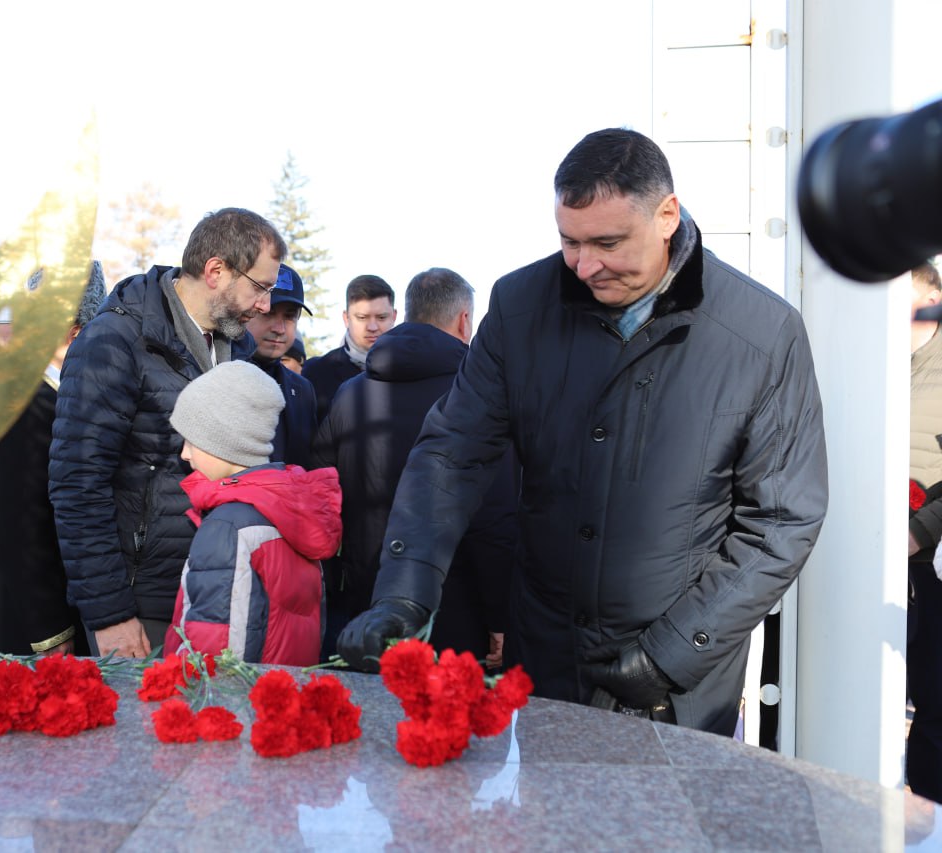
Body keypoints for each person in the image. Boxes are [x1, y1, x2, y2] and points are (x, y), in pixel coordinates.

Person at [338, 128, 828, 736]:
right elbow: (451, 455)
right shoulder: (519, 308)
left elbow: (781, 521)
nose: (586, 265)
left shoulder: (761, 334)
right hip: (545, 664)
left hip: (677, 688)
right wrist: (404, 593)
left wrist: (670, 656)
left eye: (608, 242)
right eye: (569, 242)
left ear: (667, 215)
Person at [49, 208, 287, 658]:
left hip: (216, 589)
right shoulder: (114, 341)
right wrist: (110, 615)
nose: (265, 305)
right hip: (142, 605)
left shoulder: (239, 352)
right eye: (260, 287)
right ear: (215, 270)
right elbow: (77, 485)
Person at [313, 268, 517, 664]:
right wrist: (500, 614)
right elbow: (494, 517)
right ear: (464, 321)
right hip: (452, 608)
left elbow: (322, 491)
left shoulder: (348, 394)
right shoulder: (479, 398)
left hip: (365, 605)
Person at [162, 361, 341, 665]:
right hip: (279, 692)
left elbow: (214, 654)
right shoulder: (288, 508)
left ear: (226, 442)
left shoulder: (228, 527)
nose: (184, 454)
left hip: (232, 705)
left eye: (192, 440)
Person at [0, 263, 107, 657]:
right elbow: (17, 525)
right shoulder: (24, 403)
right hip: (31, 622)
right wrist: (51, 631)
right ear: (75, 333)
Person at [908, 260, 942, 801]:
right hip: (860, 550)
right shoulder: (856, 354)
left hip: (927, 557)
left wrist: (921, 530)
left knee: (935, 698)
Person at [244, 263, 318, 467]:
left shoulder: (303, 390)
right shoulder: (216, 374)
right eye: (269, 313)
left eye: (289, 316)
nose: (279, 328)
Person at [303, 274, 397, 422]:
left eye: (381, 317)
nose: (372, 327)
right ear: (346, 319)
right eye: (362, 318)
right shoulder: (315, 373)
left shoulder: (415, 370)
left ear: (394, 317)